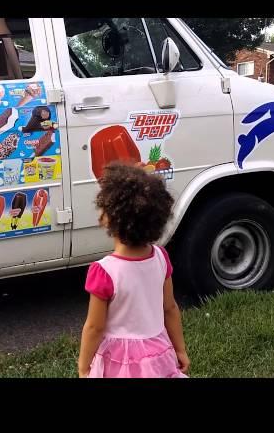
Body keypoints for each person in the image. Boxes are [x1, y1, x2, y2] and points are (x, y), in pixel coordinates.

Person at [78, 162, 190, 378]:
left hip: (119, 362)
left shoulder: (104, 272)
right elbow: (170, 308)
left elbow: (94, 327)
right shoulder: (160, 257)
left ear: (109, 217)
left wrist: (84, 367)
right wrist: (180, 349)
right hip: (158, 354)